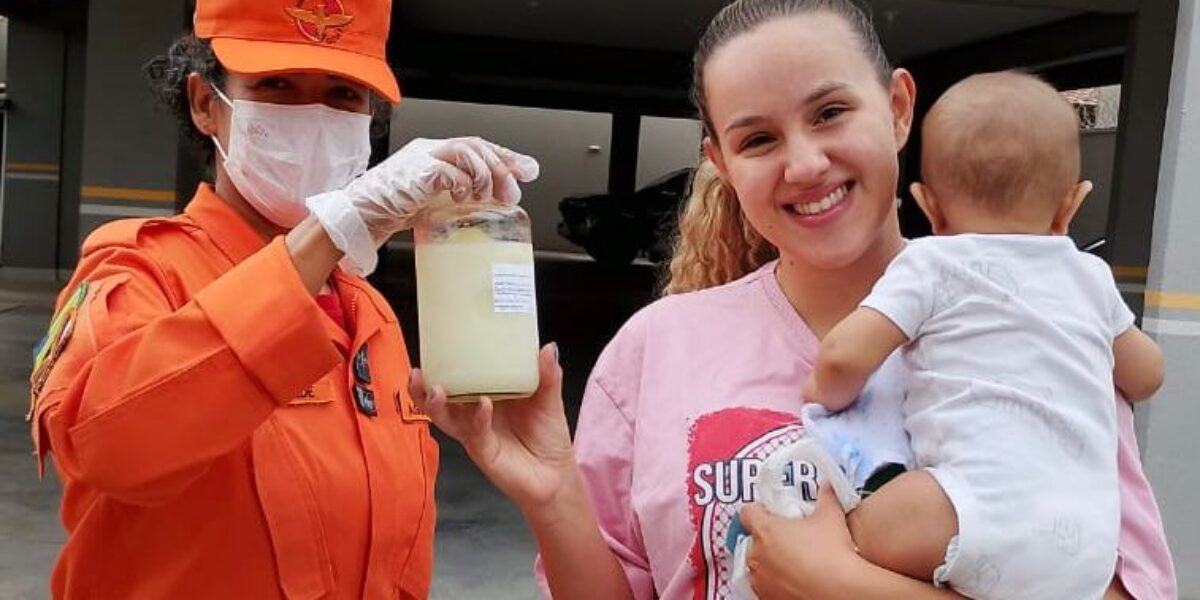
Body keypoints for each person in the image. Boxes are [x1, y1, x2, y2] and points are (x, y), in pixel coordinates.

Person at [413, 1, 1177, 599]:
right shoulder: (656, 348)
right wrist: (552, 497)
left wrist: (839, 585)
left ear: (899, 107)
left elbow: (1112, 585)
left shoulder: (1036, 324)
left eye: (830, 113)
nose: (806, 163)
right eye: (757, 140)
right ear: (718, 160)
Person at [27, 0, 537, 597]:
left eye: (344, 94)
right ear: (204, 103)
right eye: (277, 86)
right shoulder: (140, 270)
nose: (313, 115)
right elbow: (106, 445)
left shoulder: (367, 314)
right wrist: (333, 228)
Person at [799, 70, 1165, 599]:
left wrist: (827, 392)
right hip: (1085, 545)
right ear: (1071, 204)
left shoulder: (929, 263)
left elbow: (842, 355)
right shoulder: (1087, 276)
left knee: (850, 524)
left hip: (965, 508)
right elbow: (1147, 374)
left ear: (929, 206)